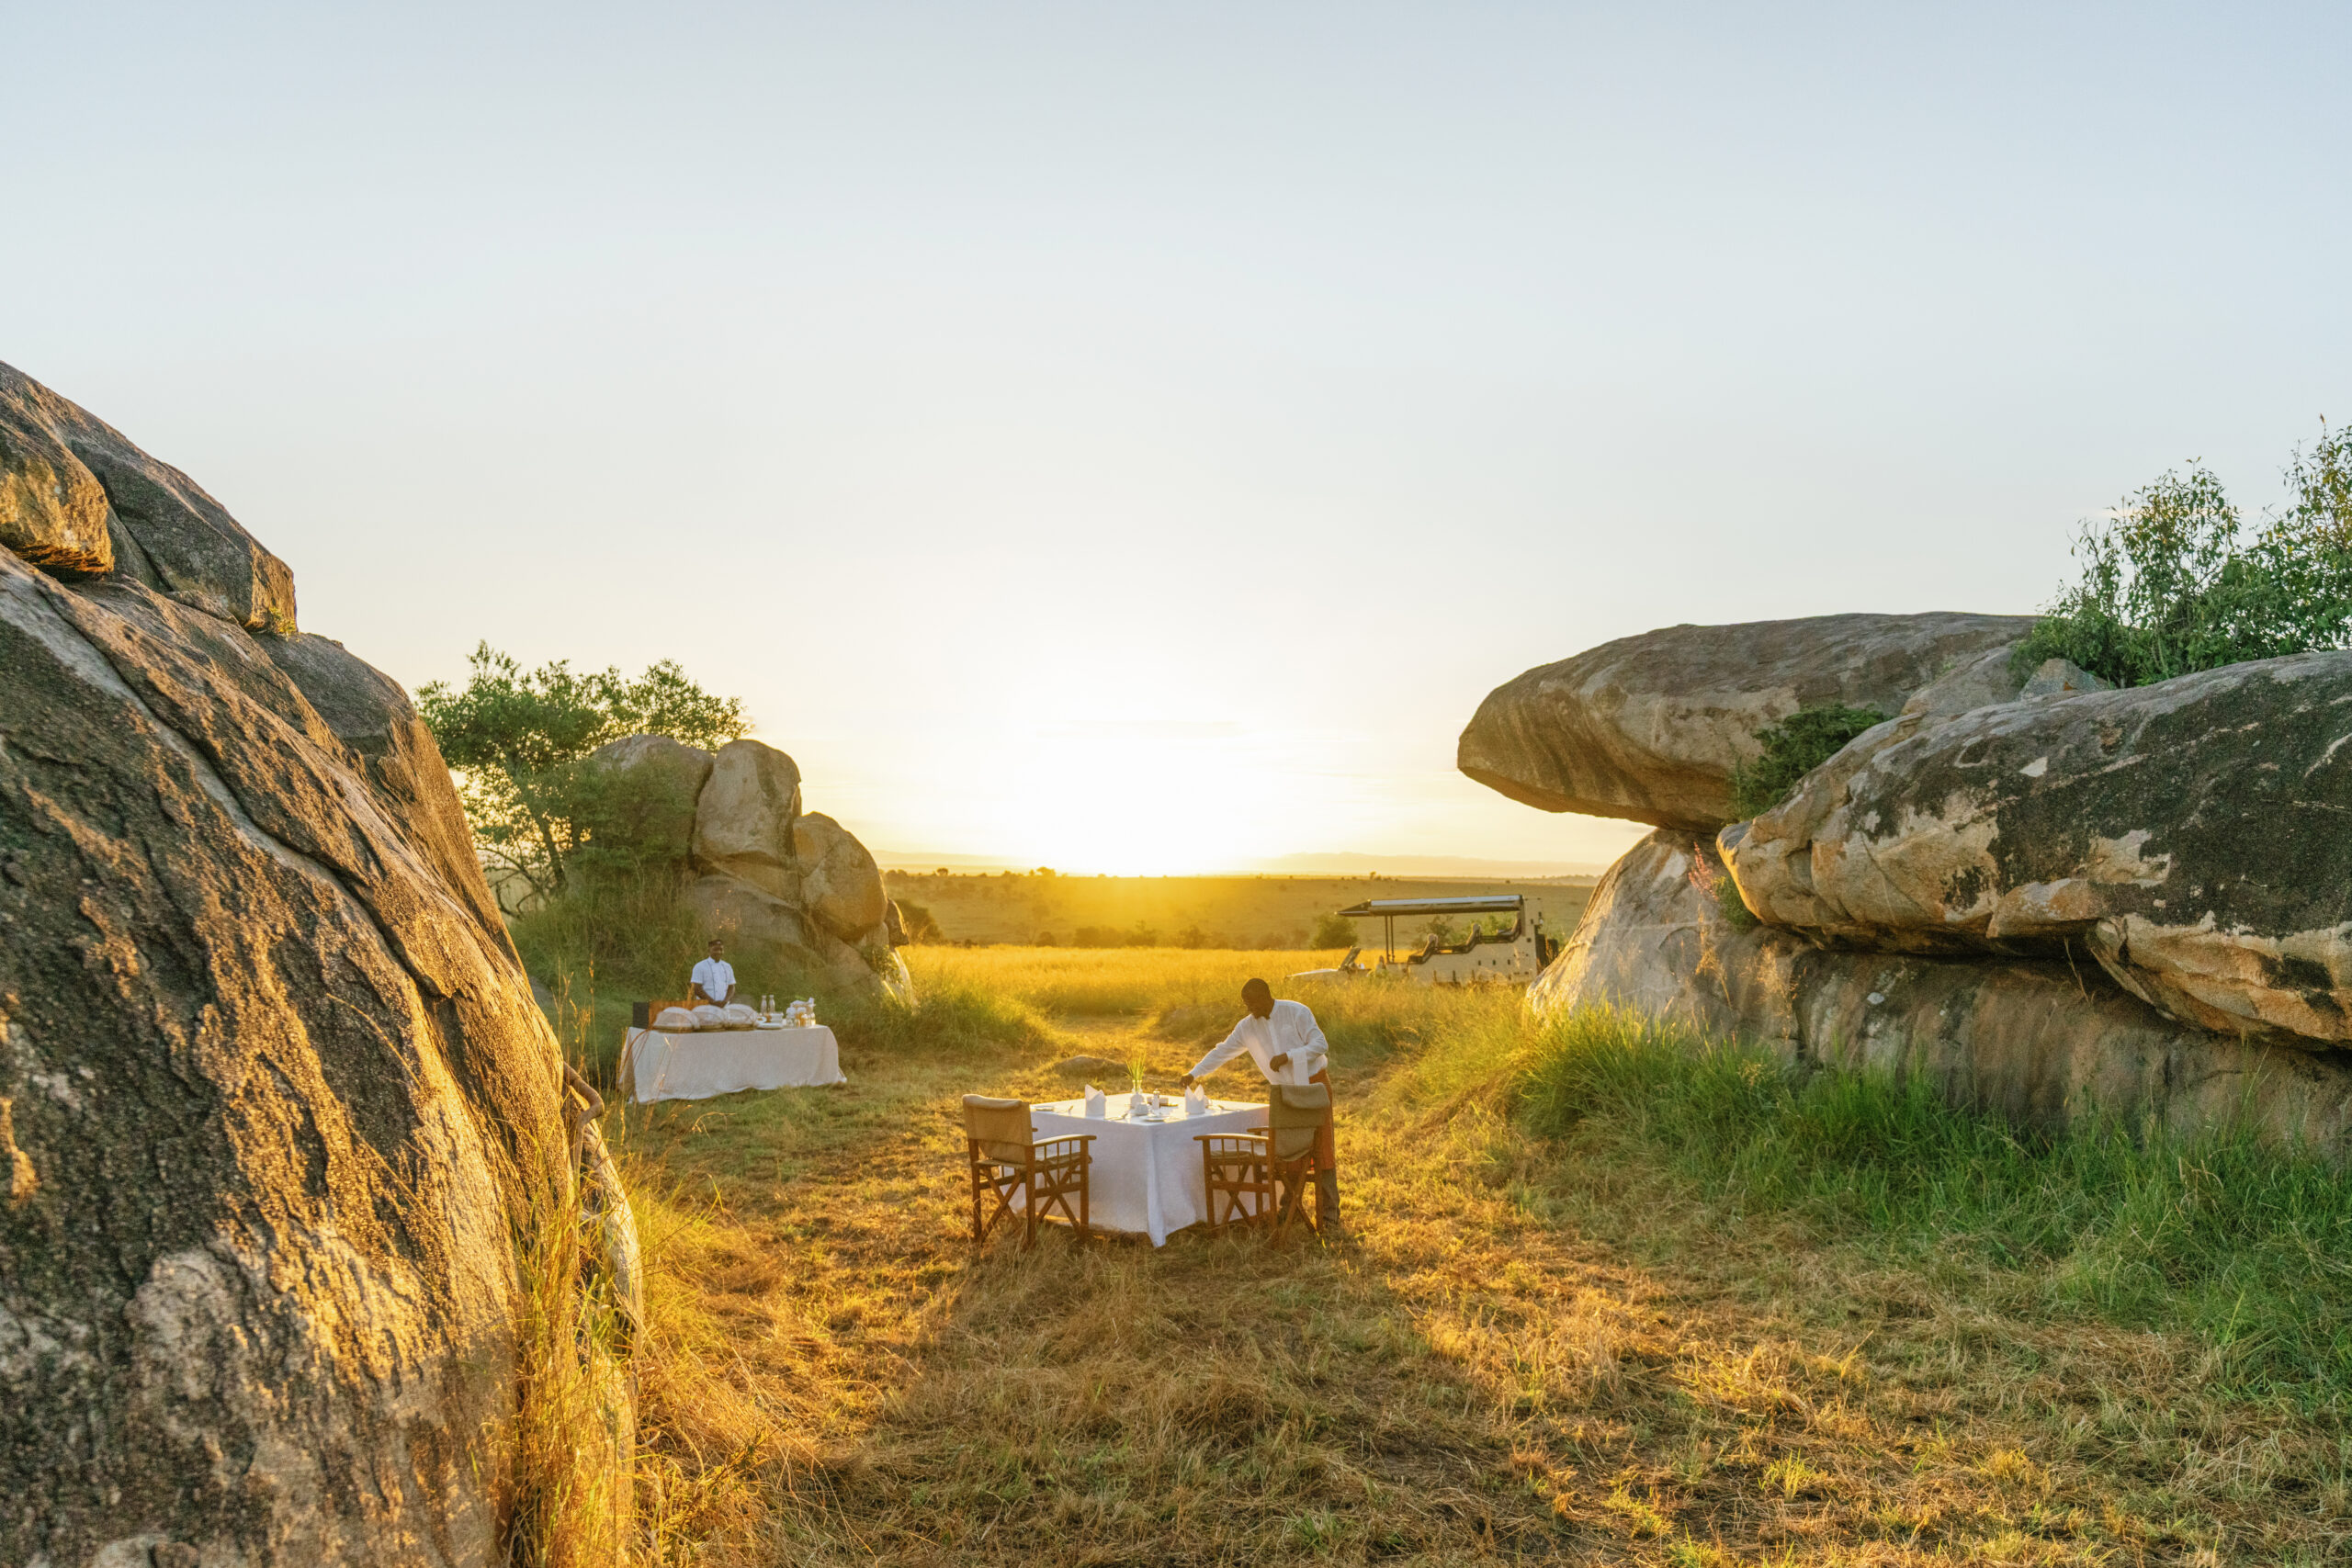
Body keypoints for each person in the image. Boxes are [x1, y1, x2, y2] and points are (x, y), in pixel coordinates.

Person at [1180, 978, 1338, 1220]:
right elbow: (1223, 1051)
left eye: (1252, 1002)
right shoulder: (1246, 1027)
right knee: (1289, 1150)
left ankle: (1329, 1214)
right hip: (1284, 1092)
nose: (1249, 1008)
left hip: (1314, 1086)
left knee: (1322, 1148)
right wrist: (1194, 1073)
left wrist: (1289, 1056)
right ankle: (1290, 1210)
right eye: (1246, 1003)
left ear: (1266, 996)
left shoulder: (1296, 1011)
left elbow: (1320, 1044)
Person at [688, 937, 737, 1009]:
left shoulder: (727, 966)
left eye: (721, 950)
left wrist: (725, 1001)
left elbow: (731, 987)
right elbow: (697, 989)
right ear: (709, 950)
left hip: (724, 1007)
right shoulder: (700, 966)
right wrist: (712, 1002)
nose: (719, 952)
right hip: (706, 1007)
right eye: (715, 949)